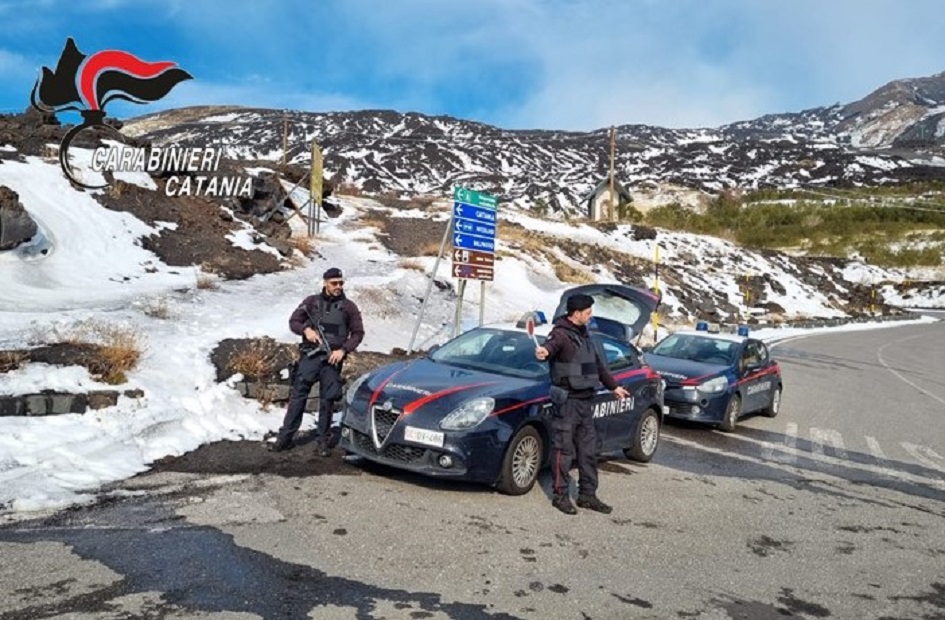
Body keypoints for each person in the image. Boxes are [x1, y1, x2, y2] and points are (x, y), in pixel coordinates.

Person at [535, 293, 631, 515]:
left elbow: (597, 366)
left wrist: (614, 387)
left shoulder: (584, 334)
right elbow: (549, 348)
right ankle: (560, 496)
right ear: (576, 313)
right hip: (567, 402)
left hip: (585, 402)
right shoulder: (560, 334)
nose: (591, 315)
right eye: (588, 312)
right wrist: (543, 352)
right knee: (563, 451)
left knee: (588, 452)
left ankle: (587, 495)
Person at [270, 267, 365, 456]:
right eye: (334, 283)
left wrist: (343, 350)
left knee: (327, 400)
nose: (338, 286)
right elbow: (293, 321)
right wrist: (306, 330)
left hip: (332, 360)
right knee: (298, 397)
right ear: (325, 283)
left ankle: (323, 440)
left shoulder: (349, 307)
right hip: (310, 357)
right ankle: (285, 438)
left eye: (341, 283)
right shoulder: (311, 302)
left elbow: (358, 333)